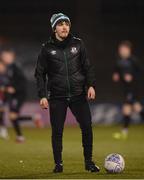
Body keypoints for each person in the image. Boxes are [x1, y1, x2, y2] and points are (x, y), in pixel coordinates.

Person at [35, 13, 100, 173]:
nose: (64, 26)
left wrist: (90, 85)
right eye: (60, 24)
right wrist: (42, 95)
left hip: (78, 95)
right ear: (54, 28)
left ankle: (89, 162)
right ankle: (58, 164)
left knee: (87, 127)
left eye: (67, 24)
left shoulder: (78, 44)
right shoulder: (46, 48)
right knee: (57, 131)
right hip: (57, 97)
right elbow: (39, 73)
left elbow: (87, 67)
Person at [1, 48, 43, 143]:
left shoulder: (16, 67)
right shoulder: (8, 68)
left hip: (18, 94)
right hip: (13, 95)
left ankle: (21, 135)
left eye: (6, 56)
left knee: (12, 116)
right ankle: (32, 120)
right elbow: (9, 82)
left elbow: (23, 81)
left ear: (11, 56)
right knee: (12, 117)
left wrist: (14, 88)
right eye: (3, 56)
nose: (4, 57)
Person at [112, 40, 143, 139]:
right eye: (120, 49)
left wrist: (132, 77)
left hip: (133, 88)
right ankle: (124, 131)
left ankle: (124, 131)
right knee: (134, 108)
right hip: (126, 89)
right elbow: (117, 71)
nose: (121, 51)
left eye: (123, 49)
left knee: (128, 109)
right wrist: (117, 75)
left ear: (128, 50)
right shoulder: (119, 61)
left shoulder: (133, 61)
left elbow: (140, 74)